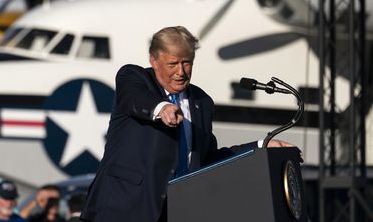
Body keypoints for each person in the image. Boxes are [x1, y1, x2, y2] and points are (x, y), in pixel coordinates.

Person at [80, 26, 293, 222]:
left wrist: (260, 146)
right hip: (124, 209)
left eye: (187, 62)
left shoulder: (202, 102)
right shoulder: (134, 78)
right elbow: (134, 98)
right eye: (172, 64)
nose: (181, 72)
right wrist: (161, 108)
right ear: (154, 61)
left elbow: (208, 159)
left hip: (178, 211)